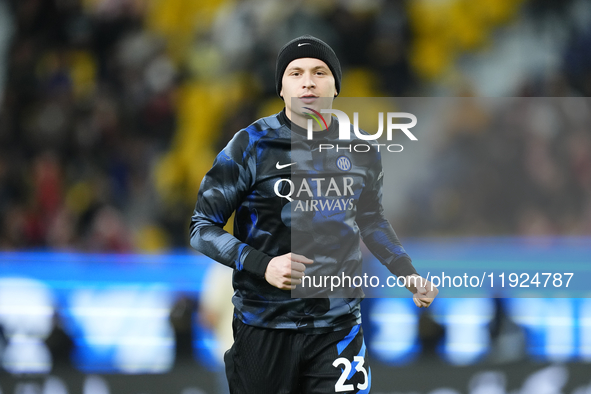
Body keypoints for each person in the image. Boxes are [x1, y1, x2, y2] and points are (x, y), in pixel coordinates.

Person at [190, 35, 438, 394]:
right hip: (264, 326)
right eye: (296, 73)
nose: (308, 81)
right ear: (281, 88)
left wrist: (406, 272)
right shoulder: (249, 145)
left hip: (338, 326)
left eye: (319, 72)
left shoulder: (362, 150)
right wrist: (264, 265)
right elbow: (202, 227)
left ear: (336, 85)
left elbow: (371, 220)